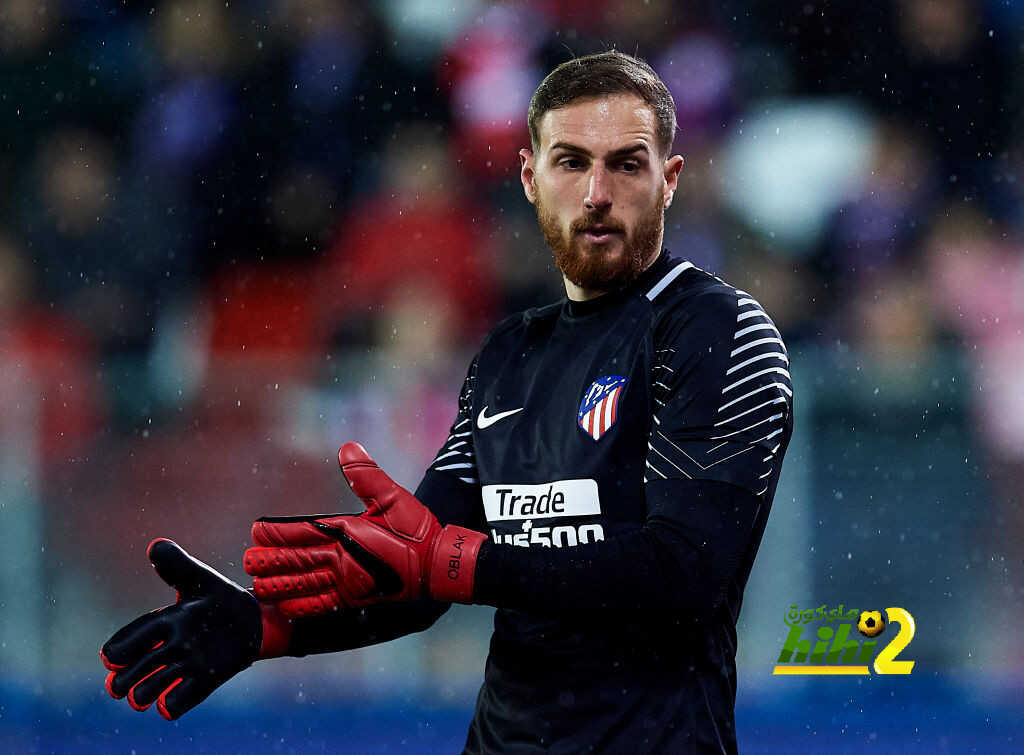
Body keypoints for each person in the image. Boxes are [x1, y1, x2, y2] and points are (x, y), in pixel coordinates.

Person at [101, 51, 794, 754]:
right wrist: (266, 626)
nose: (596, 193)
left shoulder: (719, 330)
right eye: (570, 162)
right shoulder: (509, 354)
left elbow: (684, 571)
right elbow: (418, 572)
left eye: (626, 164)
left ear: (669, 181)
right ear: (529, 177)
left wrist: (459, 562)